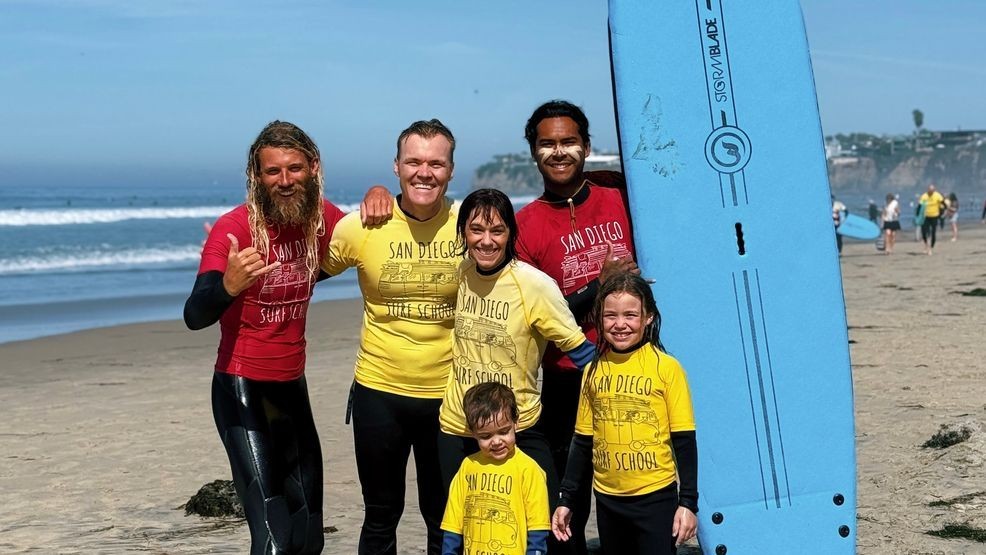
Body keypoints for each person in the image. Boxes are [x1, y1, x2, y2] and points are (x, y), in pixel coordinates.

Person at [183, 121, 346, 554]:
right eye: (273, 171)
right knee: (274, 538)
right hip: (241, 390)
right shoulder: (234, 230)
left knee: (309, 538)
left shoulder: (324, 219)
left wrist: (380, 196)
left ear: (314, 167)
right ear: (256, 175)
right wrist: (228, 287)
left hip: (292, 389)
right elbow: (194, 314)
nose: (285, 181)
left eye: (294, 168)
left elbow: (367, 246)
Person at [322, 119, 460, 555]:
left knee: (445, 517)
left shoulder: (469, 224)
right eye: (414, 162)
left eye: (436, 163)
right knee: (381, 516)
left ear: (451, 170)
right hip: (379, 393)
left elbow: (522, 276)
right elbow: (298, 271)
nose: (425, 172)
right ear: (396, 166)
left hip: (449, 395)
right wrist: (233, 263)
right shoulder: (363, 226)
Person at [437, 188, 595, 555]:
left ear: (511, 233)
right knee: (469, 531)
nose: (486, 241)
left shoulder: (534, 285)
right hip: (457, 428)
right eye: (476, 230)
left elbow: (584, 355)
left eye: (497, 230)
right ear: (463, 233)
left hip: (518, 430)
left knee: (550, 529)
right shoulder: (462, 273)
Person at [514, 99, 639, 554]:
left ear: (586, 146)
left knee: (630, 492)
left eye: (568, 141)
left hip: (633, 367)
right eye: (547, 143)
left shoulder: (623, 196)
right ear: (534, 151)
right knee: (568, 503)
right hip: (567, 379)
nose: (558, 151)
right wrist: (597, 287)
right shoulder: (524, 226)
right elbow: (537, 317)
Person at [551, 273, 699, 555]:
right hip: (607, 501)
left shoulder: (667, 369)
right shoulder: (593, 370)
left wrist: (688, 503)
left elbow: (684, 441)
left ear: (648, 317)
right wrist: (566, 499)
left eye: (630, 315)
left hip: (656, 500)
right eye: (610, 315)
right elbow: (582, 442)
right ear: (599, 318)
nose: (620, 324)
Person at [440, 382, 551, 555]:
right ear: (473, 432)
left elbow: (538, 527)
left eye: (504, 432)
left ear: (516, 422)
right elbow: (453, 523)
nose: (497, 441)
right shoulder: (468, 467)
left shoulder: (529, 469)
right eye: (486, 436)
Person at [918, 183, 945, 254]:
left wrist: (943, 211)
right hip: (926, 216)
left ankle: (931, 247)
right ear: (928, 190)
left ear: (934, 190)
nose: (931, 192)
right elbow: (920, 206)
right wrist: (918, 214)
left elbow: (943, 203)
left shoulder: (937, 195)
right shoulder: (924, 196)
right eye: (930, 191)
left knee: (933, 232)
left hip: (934, 216)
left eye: (932, 191)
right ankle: (926, 244)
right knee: (924, 232)